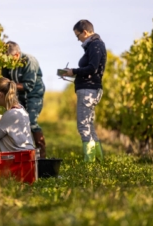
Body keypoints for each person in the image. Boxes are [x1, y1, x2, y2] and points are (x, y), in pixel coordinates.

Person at [63, 19, 107, 162]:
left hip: (88, 89)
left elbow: (93, 68)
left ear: (85, 32)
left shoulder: (95, 45)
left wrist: (73, 71)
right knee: (89, 125)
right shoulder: (95, 45)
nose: (78, 39)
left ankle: (89, 161)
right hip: (90, 89)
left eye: (78, 36)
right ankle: (98, 159)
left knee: (83, 126)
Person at [1, 41, 46, 158]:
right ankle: (23, 154)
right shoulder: (6, 62)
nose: (7, 63)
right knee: (17, 122)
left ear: (16, 55)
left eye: (9, 59)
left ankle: (41, 155)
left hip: (34, 94)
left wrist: (8, 86)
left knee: (31, 121)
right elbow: (5, 80)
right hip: (18, 95)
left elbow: (28, 86)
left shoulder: (30, 61)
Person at [0, 77, 35, 152]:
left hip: (17, 160)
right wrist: (2, 119)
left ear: (0, 94)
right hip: (27, 157)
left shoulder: (10, 114)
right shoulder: (21, 110)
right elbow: (11, 126)